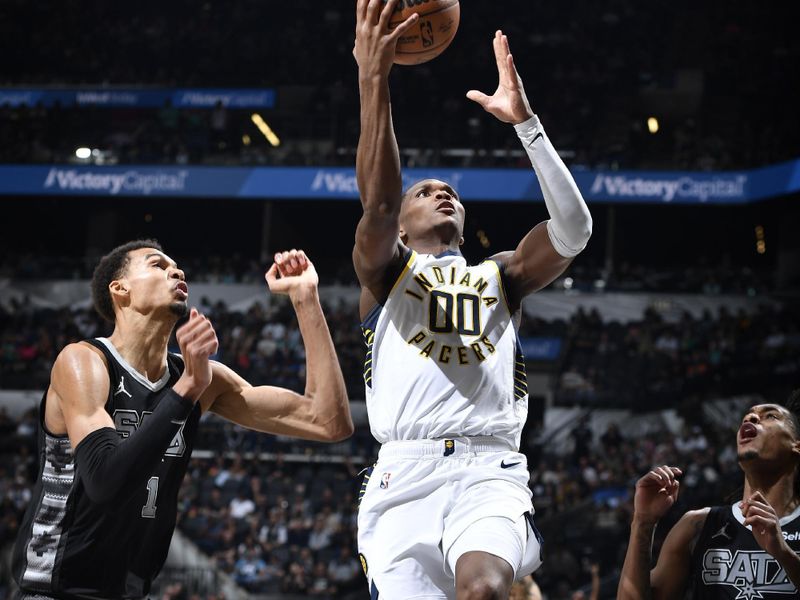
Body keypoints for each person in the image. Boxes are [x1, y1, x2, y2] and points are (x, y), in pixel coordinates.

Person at [352, 1, 593, 597]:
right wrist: (374, 80)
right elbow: (378, 205)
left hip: (490, 467)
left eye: (451, 191)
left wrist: (526, 125)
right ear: (403, 228)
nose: (442, 193)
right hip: (402, 473)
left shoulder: (501, 276)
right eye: (425, 191)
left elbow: (574, 231)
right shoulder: (384, 274)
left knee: (483, 590)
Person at [11, 240, 352, 599]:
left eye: (176, 265)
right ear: (120, 288)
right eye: (157, 265)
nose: (176, 271)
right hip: (54, 589)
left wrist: (305, 297)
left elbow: (328, 421)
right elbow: (104, 484)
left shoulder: (198, 378)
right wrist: (189, 387)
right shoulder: (83, 362)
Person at [618, 393, 800, 599]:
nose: (751, 418)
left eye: (771, 416)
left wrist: (783, 555)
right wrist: (642, 522)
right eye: (747, 417)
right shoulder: (697, 524)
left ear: (796, 445)